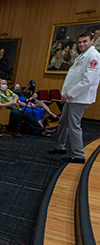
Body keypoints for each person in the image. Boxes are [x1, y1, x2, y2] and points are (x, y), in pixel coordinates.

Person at [48, 32, 100, 163]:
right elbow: (74, 77)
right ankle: (60, 147)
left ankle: (78, 155)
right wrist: (66, 94)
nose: (81, 44)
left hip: (79, 98)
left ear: (92, 41)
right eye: (80, 42)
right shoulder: (81, 56)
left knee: (74, 126)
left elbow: (87, 81)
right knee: (62, 123)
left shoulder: (93, 56)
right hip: (71, 97)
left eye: (85, 41)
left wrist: (68, 94)